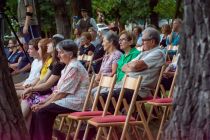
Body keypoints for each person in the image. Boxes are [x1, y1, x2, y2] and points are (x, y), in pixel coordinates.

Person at [30, 39, 89, 140]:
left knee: (42, 112)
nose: (58, 55)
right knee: (37, 111)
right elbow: (57, 90)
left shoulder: (74, 67)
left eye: (61, 52)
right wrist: (43, 102)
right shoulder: (68, 66)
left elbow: (62, 93)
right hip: (67, 99)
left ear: (70, 54)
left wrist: (44, 105)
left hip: (76, 101)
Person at [99, 27, 165, 112]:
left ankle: (110, 122)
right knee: (100, 94)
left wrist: (132, 67)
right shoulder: (144, 53)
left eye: (144, 40)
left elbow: (135, 66)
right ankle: (112, 121)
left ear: (152, 41)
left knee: (103, 97)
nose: (141, 42)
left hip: (138, 89)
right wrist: (132, 66)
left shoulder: (158, 53)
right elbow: (124, 67)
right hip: (127, 85)